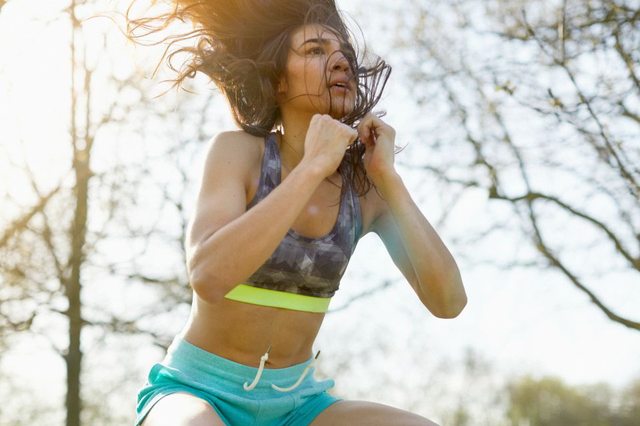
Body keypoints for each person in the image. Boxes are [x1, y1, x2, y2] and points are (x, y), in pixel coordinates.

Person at [127, 0, 467, 424]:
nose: (340, 62)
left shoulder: (367, 189)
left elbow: (449, 302)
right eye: (315, 50)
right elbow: (209, 277)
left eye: (343, 54)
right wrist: (312, 167)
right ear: (279, 82)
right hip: (197, 392)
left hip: (298, 406)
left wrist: (389, 180)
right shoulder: (239, 153)